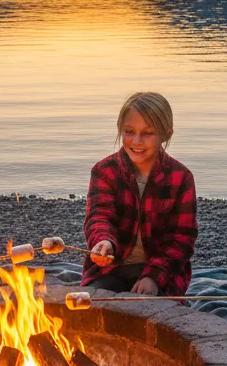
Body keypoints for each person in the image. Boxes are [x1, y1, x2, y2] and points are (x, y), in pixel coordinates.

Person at [82, 91, 197, 297]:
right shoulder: (104, 171)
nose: (136, 141)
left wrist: (153, 276)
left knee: (156, 317)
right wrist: (103, 241)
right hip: (110, 269)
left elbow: (181, 240)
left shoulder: (181, 178)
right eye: (129, 131)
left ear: (167, 134)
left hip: (161, 272)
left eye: (147, 133)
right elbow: (99, 216)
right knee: (87, 309)